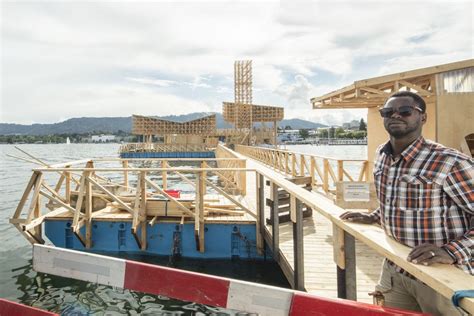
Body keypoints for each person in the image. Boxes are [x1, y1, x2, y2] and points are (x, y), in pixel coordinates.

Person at [340, 91, 473, 315]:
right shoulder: (382, 155)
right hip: (395, 268)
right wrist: (374, 216)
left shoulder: (450, 162)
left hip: (441, 276)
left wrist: (451, 252)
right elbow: (397, 199)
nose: (396, 116)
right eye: (388, 112)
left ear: (423, 118)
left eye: (405, 111)